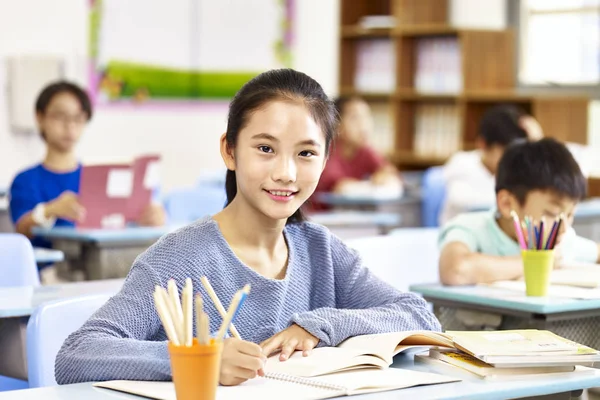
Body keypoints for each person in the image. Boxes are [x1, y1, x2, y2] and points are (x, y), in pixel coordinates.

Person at [55, 69, 441, 386]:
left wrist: (319, 326)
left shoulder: (321, 250)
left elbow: (418, 315)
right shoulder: (180, 258)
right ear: (230, 150)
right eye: (265, 149)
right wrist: (200, 358)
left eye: (306, 153)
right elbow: (77, 354)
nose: (286, 173)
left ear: (325, 162)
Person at [9, 81, 166, 250]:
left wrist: (150, 219)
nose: (70, 125)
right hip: (49, 272)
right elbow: (22, 228)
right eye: (61, 116)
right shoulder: (25, 181)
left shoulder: (96, 178)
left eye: (78, 118)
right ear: (40, 117)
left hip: (97, 266)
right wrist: (50, 210)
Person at [438, 138, 599, 286]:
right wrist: (540, 263)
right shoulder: (471, 228)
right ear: (507, 204)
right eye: (552, 213)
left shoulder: (562, 242)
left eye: (570, 215)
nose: (564, 228)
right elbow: (456, 270)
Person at [439, 104, 539, 225]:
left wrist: (536, 145)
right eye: (505, 152)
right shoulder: (461, 163)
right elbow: (463, 200)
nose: (513, 159)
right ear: (483, 144)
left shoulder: (519, 167)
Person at [314, 96, 401, 197]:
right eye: (355, 118)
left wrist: (384, 177)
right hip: (320, 211)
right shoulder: (328, 150)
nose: (364, 124)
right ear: (336, 124)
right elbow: (340, 188)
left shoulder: (365, 149)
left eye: (367, 117)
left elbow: (390, 174)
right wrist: (374, 183)